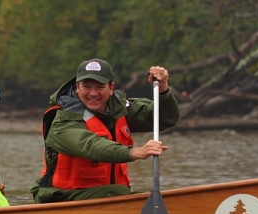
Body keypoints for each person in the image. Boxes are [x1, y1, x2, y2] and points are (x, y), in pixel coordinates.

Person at [32, 59, 176, 203]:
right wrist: (136, 152)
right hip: (61, 197)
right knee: (119, 192)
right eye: (86, 87)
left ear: (111, 87)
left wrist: (163, 90)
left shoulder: (119, 109)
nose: (93, 93)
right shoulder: (62, 121)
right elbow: (91, 145)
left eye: (100, 87)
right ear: (77, 87)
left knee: (129, 194)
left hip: (104, 195)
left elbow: (165, 117)